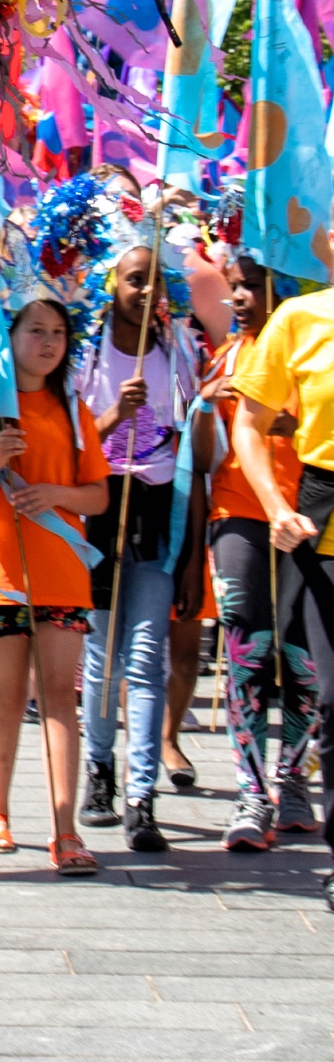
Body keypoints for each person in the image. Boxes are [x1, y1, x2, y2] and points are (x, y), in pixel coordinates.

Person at [0, 298, 110, 875]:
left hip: (62, 574)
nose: (48, 342)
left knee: (58, 700)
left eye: (58, 333)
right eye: (35, 330)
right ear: (10, 335)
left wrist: (55, 496)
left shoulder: (75, 411)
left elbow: (97, 493)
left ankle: (65, 826)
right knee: (5, 696)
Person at [79, 237, 201, 852]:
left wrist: (190, 553)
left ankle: (140, 793)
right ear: (112, 286)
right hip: (98, 513)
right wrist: (111, 418)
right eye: (133, 279)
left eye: (155, 280)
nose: (145, 292)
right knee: (102, 651)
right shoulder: (87, 355)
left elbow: (191, 457)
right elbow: (71, 443)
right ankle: (98, 770)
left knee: (147, 653)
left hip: (155, 513)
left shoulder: (178, 355)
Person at [207, 259, 318, 852]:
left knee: (303, 656)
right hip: (238, 513)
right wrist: (206, 405)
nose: (241, 297)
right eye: (237, 286)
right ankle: (251, 791)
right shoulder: (226, 355)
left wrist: (280, 415)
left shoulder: (311, 336)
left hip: (310, 514)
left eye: (253, 285)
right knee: (247, 647)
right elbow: (209, 449)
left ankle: (293, 778)